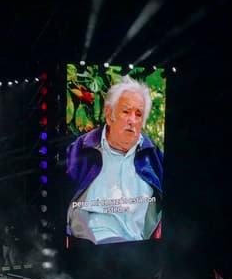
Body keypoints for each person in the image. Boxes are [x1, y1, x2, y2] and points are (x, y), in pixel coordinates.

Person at [65, 75, 164, 245]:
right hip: (91, 250)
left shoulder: (154, 157)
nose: (132, 120)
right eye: (126, 111)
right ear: (109, 115)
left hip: (140, 250)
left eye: (138, 114)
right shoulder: (79, 150)